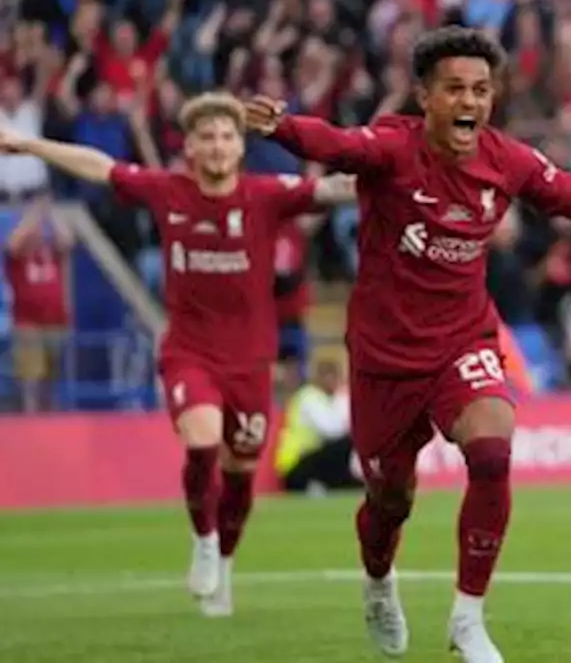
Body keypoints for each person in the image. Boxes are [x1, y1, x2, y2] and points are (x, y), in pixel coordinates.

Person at [242, 26, 571, 663]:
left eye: (480, 89)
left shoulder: (509, 161)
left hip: (462, 341)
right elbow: (336, 142)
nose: (470, 102)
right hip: (385, 358)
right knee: (389, 501)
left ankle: (469, 617)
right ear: (425, 96)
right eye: (454, 90)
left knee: (494, 450)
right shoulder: (393, 148)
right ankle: (378, 580)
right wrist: (283, 128)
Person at [0, 93, 355, 617]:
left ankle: (226, 567)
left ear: (240, 146)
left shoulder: (266, 196)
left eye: (227, 137)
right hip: (190, 353)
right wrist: (29, 144)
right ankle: (204, 540)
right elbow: (100, 167)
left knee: (239, 477)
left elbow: (335, 187)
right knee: (203, 440)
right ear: (189, 147)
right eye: (206, 137)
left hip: (252, 361)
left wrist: (407, 171)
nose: (217, 146)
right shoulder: (169, 191)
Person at [4, 191, 73, 412]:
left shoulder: (51, 250)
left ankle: (48, 420)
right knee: (30, 377)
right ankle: (30, 418)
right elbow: (13, 244)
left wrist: (50, 213)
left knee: (51, 378)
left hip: (54, 318)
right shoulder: (17, 256)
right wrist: (33, 215)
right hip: (27, 321)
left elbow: (68, 241)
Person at [275, 358, 359, 494]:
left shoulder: (330, 398)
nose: (333, 380)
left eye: (335, 376)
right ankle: (321, 482)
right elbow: (331, 430)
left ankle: (334, 483)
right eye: (329, 375)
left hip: (313, 457)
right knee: (346, 443)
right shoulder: (308, 396)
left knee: (350, 443)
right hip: (295, 462)